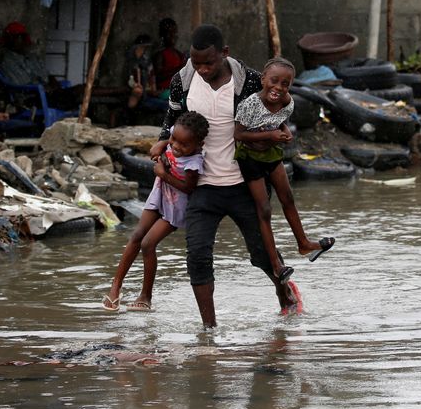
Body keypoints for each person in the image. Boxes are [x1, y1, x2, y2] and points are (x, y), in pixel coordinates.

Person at [150, 24, 301, 328]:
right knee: (197, 258)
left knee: (261, 255)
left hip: (244, 182)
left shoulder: (250, 82)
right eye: (196, 63)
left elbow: (276, 114)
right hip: (202, 186)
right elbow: (173, 118)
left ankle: (287, 297)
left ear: (224, 54)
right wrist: (163, 139)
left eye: (209, 62)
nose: (202, 69)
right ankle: (209, 330)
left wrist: (278, 138)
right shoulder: (183, 80)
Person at [233, 56, 335, 285]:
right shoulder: (250, 104)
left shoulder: (287, 102)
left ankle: (304, 244)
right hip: (250, 157)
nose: (278, 88)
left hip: (271, 154)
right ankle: (276, 265)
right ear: (263, 80)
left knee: (288, 197)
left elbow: (279, 120)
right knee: (265, 209)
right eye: (274, 81)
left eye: (285, 84)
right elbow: (238, 135)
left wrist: (284, 131)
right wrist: (270, 135)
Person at [103, 111, 209, 312]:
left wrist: (163, 173)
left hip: (176, 205)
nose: (176, 146)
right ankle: (115, 286)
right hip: (159, 193)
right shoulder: (175, 135)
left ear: (198, 145)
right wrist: (161, 146)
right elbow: (160, 145)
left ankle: (146, 296)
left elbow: (188, 188)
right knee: (136, 235)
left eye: (183, 145)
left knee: (148, 244)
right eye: (174, 140)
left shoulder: (194, 163)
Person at [0, 21, 81, 109]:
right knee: (77, 94)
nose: (22, 41)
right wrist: (44, 87)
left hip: (49, 94)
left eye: (22, 37)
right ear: (9, 40)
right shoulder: (7, 62)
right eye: (17, 37)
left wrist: (52, 81)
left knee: (80, 91)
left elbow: (46, 74)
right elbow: (23, 85)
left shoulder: (32, 58)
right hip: (32, 99)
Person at [153, 18, 187, 98]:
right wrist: (179, 69)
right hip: (164, 91)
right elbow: (157, 78)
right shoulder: (160, 55)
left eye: (174, 32)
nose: (173, 35)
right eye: (169, 33)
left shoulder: (179, 54)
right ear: (162, 36)